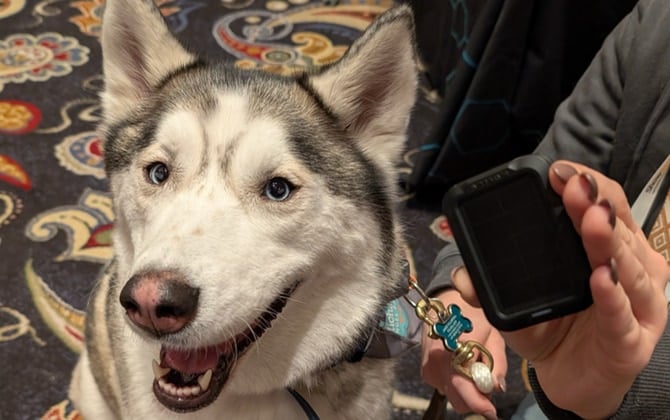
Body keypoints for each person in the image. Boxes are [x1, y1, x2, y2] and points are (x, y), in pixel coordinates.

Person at [421, 0, 670, 418]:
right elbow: (543, 182)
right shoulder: (657, 23)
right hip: (567, 367)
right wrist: (456, 285)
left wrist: (628, 387)